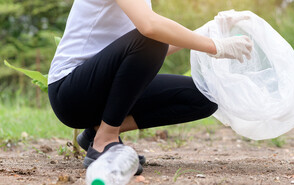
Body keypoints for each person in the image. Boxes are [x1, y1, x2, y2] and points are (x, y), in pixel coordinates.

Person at [48, 0, 253, 174]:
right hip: (71, 92)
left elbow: (146, 53)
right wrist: (215, 47)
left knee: (204, 97)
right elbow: (150, 32)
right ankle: (105, 142)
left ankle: (96, 132)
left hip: (103, 87)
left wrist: (209, 30)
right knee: (153, 36)